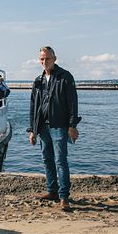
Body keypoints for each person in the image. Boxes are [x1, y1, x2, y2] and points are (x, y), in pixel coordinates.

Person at [28, 46, 81, 211]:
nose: (44, 62)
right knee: (47, 160)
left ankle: (64, 196)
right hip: (43, 128)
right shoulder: (39, 80)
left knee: (60, 161)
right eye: (42, 59)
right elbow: (33, 106)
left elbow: (73, 103)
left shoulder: (65, 77)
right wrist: (32, 129)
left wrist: (72, 126)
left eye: (47, 59)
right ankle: (52, 191)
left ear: (54, 58)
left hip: (59, 126)